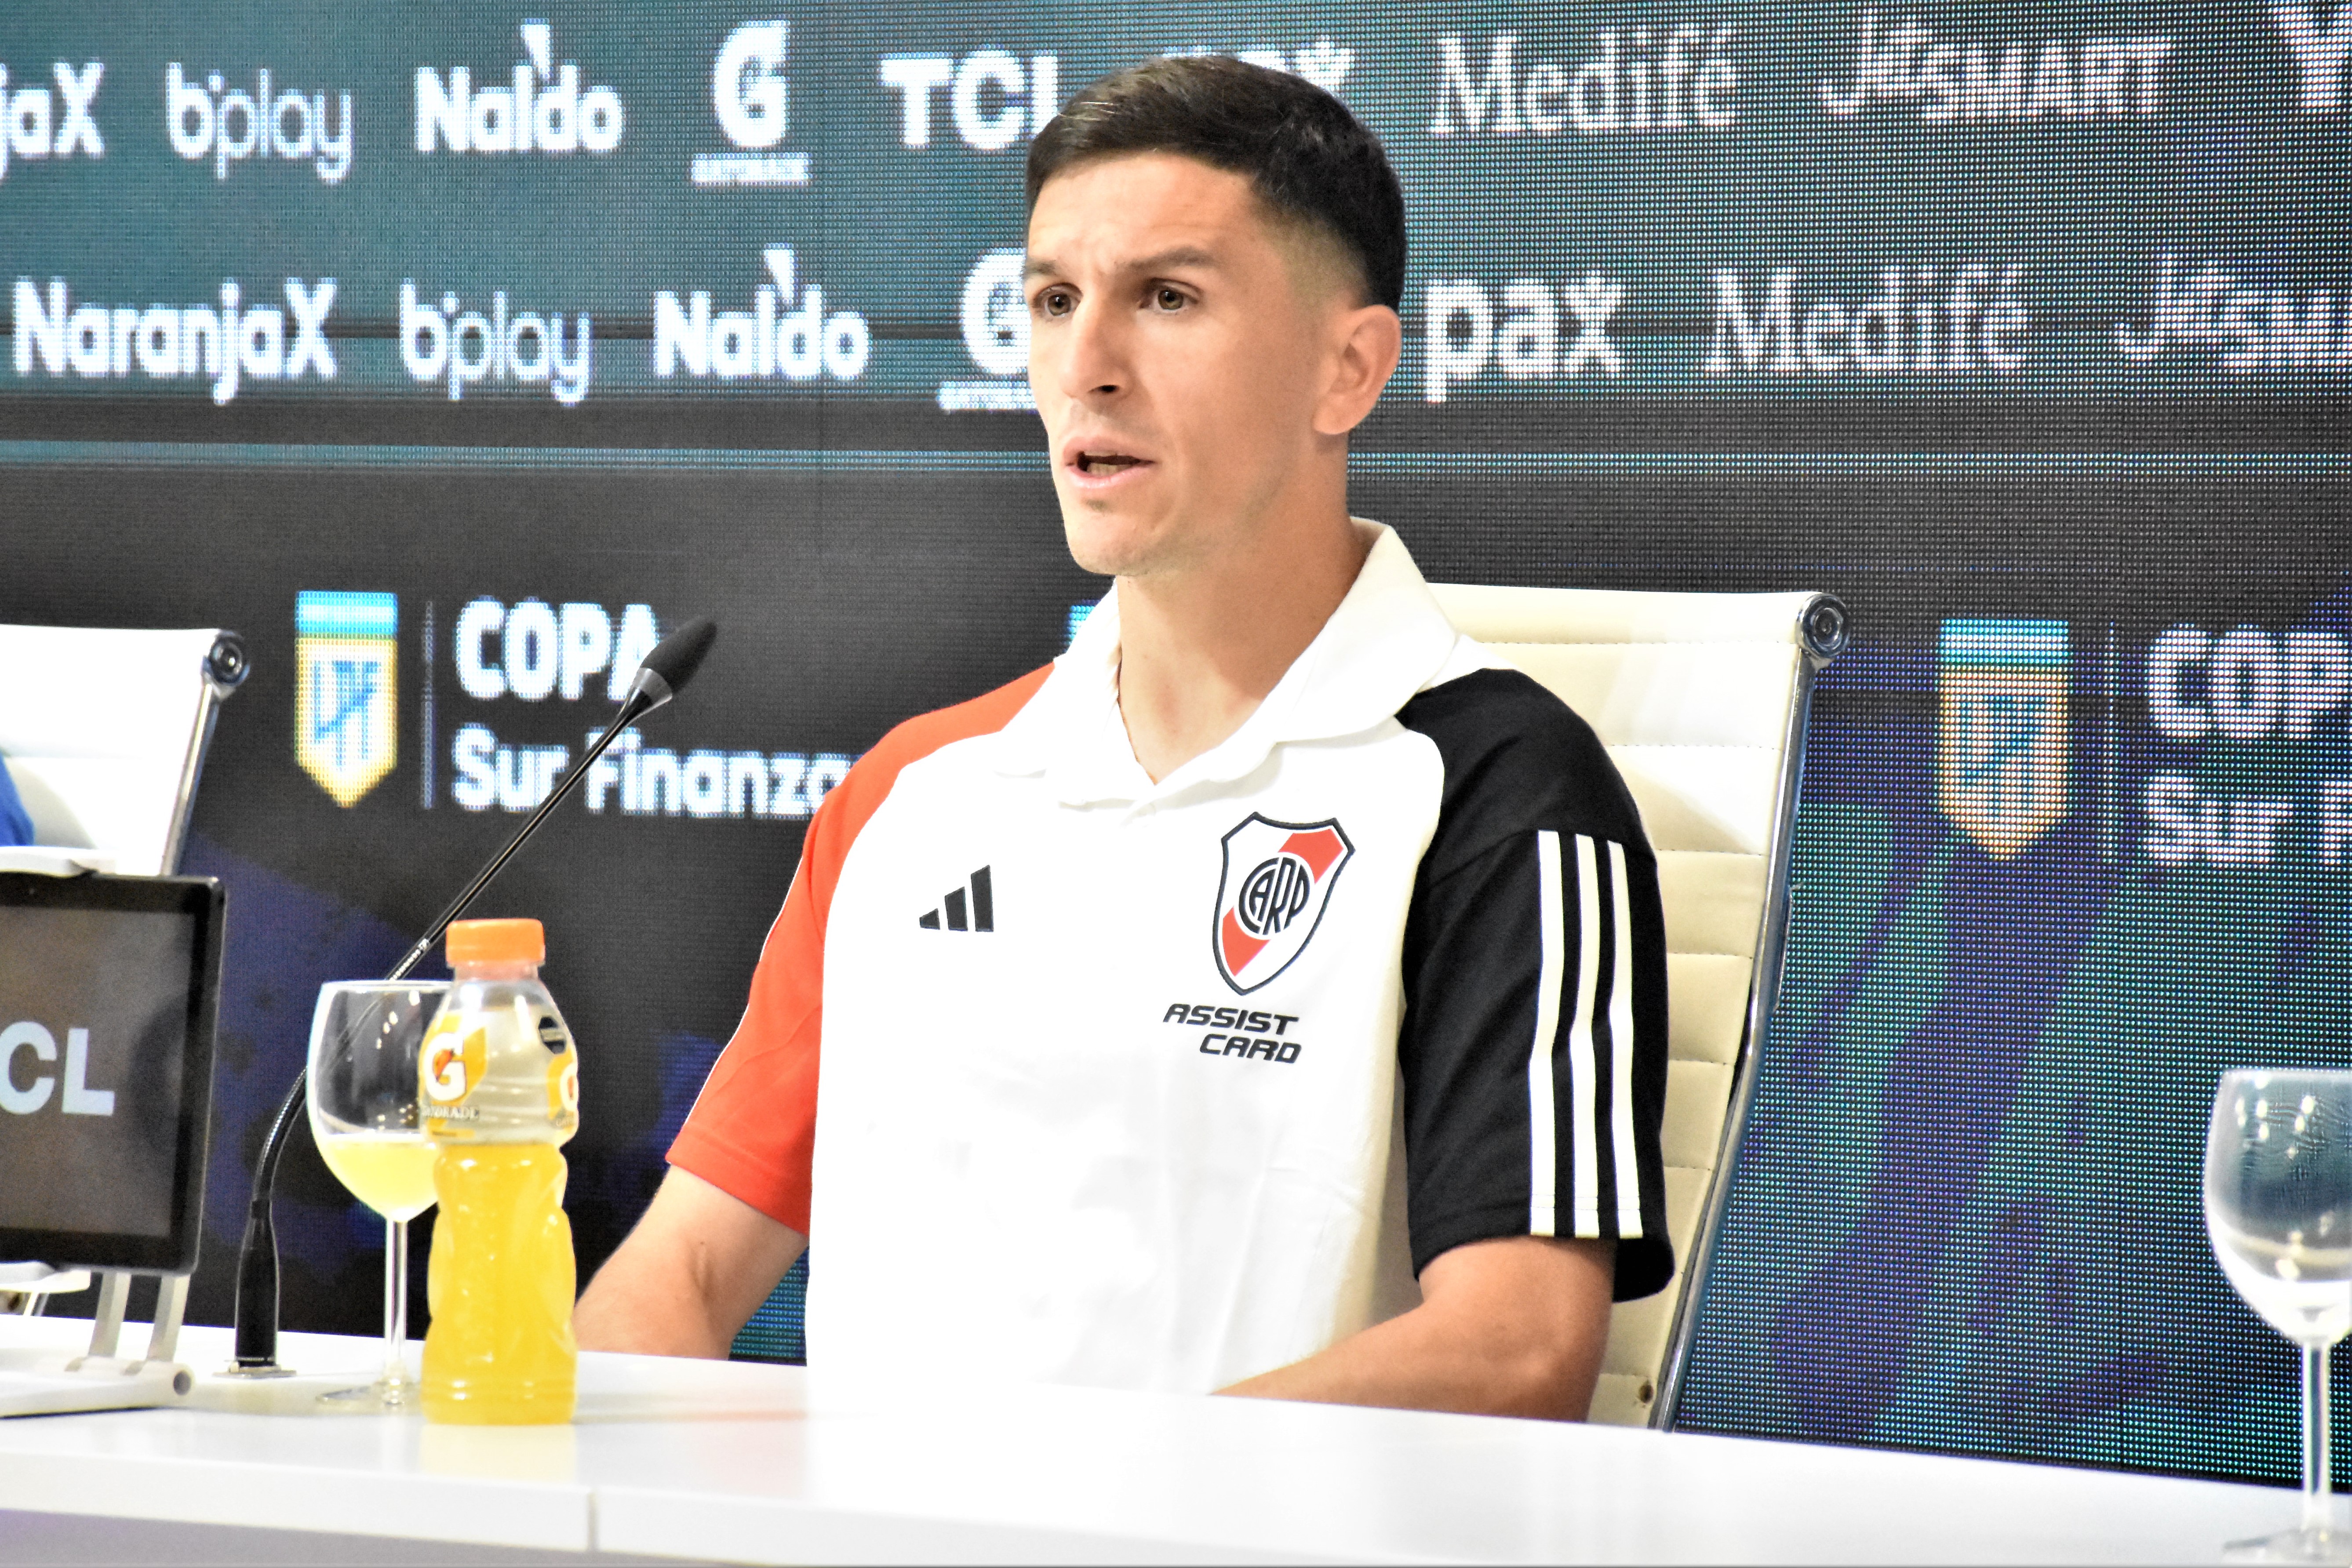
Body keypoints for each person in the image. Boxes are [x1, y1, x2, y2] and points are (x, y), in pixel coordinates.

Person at [575, 55, 1670, 1421]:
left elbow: (1516, 1356)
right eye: (1050, 301)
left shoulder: (1500, 792)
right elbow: (675, 1276)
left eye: (1167, 299)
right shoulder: (918, 790)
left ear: (1351, 368)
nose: (1086, 367)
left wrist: (1094, 1510)